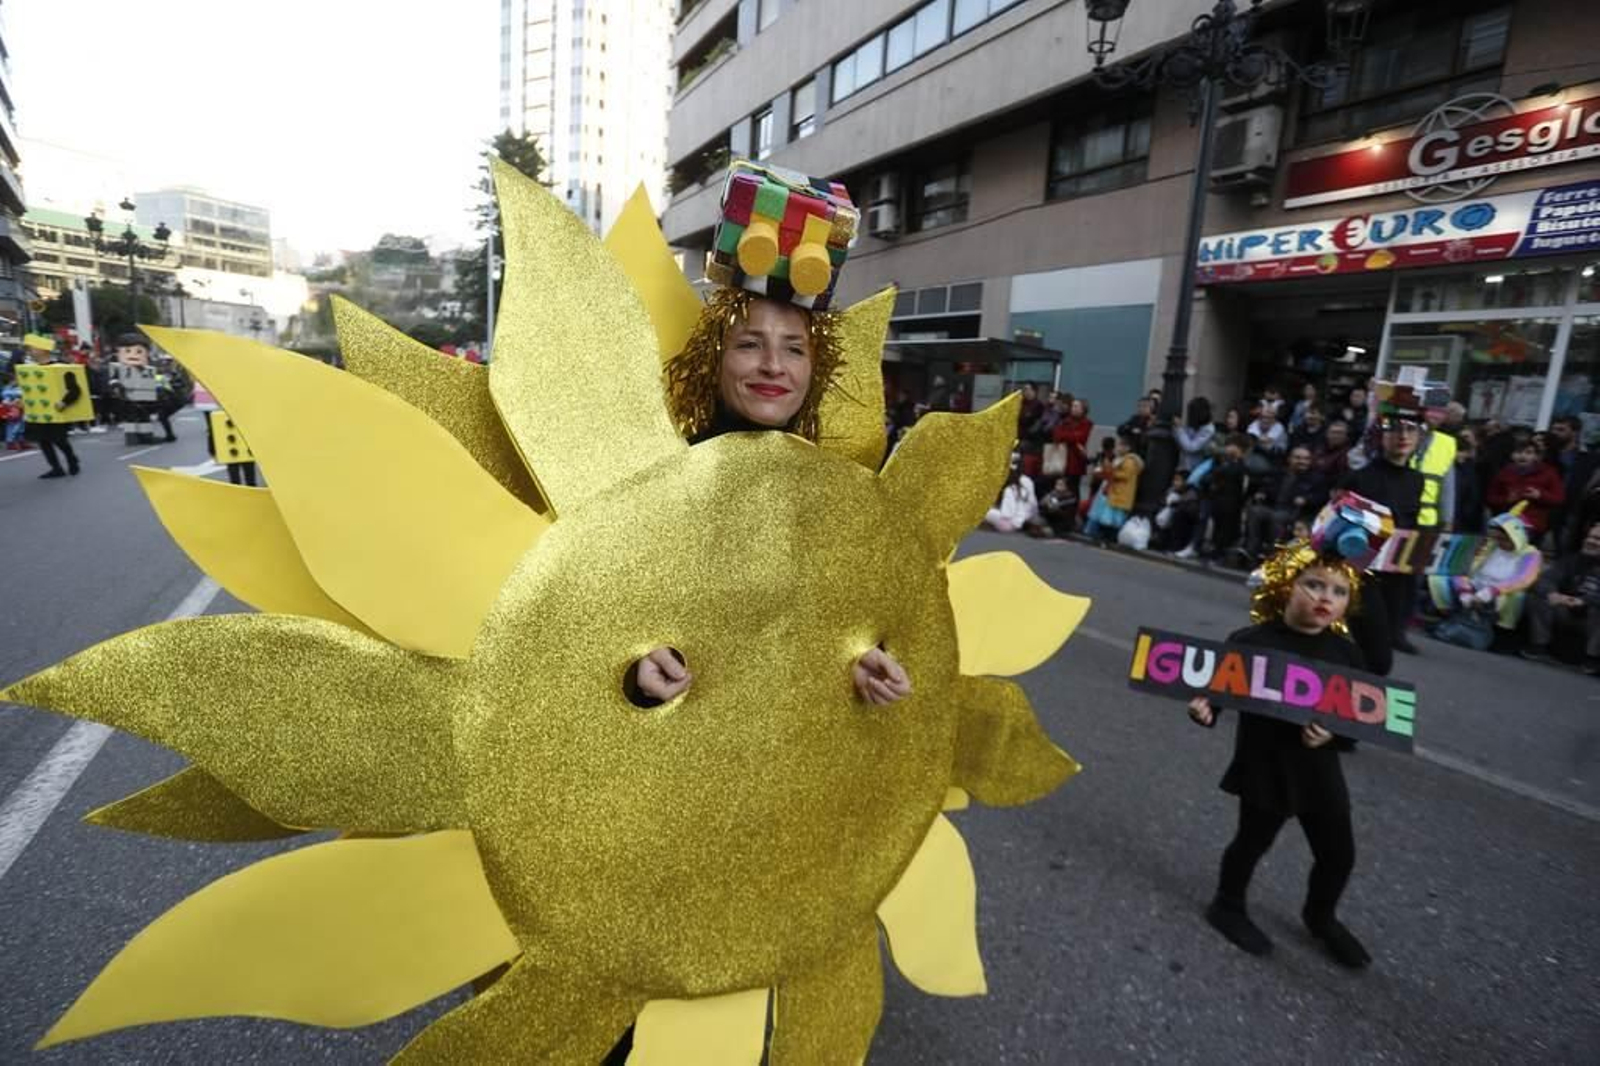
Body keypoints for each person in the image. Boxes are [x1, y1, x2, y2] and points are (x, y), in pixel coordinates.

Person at [652, 162, 911, 715]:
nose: (774, 365)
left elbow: (822, 621)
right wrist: (635, 670)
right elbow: (601, 618)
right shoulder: (661, 483)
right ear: (713, 360)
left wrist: (857, 664)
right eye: (750, 344)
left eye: (794, 348)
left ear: (813, 371)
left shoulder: (837, 497)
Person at [1188, 536, 1391, 970]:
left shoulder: (1346, 651)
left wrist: (1332, 736)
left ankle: (1320, 917)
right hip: (1266, 766)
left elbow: (1355, 717)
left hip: (1320, 770)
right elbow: (1218, 693)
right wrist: (1205, 709)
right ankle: (1227, 904)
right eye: (1314, 585)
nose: (1326, 598)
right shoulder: (1250, 639)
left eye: (1339, 592)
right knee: (1251, 843)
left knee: (1339, 854)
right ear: (1285, 586)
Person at [1341, 383, 1426, 653]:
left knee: (1400, 591)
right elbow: (1342, 517)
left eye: (1410, 429)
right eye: (1394, 429)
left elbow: (1412, 515)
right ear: (1381, 435)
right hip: (1365, 556)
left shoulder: (1416, 479)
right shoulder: (1362, 476)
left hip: (1399, 553)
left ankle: (1395, 633)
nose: (1403, 436)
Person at [1427, 507, 1542, 648]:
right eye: (1497, 538)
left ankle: (1498, 634)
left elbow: (1523, 579)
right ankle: (1450, 620)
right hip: (1475, 584)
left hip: (1503, 591)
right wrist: (1465, 589)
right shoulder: (1490, 546)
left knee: (1515, 597)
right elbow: (1463, 567)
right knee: (1439, 580)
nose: (1499, 542)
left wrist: (1492, 591)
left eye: (1504, 538)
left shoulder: (1531, 553)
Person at [1521, 521, 1600, 674]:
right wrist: (1553, 594)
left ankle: (1592, 659)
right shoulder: (1573, 559)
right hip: (1566, 609)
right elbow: (1545, 579)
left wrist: (1585, 601)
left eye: (1597, 539)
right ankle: (1538, 646)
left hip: (1592, 617)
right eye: (1589, 537)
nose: (1590, 541)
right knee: (1537, 596)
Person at [1244, 446, 1328, 562]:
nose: (1302, 461)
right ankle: (1251, 550)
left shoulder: (1316, 478)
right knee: (1255, 511)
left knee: (1277, 517)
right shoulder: (1279, 473)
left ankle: (1273, 553)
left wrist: (1306, 500)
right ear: (1289, 459)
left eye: (1306, 459)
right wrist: (1262, 493)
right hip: (1273, 506)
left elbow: (1321, 497)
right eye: (1298, 458)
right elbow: (1267, 486)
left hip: (1295, 512)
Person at [21, 341, 82, 479]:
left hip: (56, 412)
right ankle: (56, 468)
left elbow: (75, 390)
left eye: (33, 348)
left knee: (59, 440)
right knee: (43, 441)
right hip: (38, 412)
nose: (30, 351)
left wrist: (64, 402)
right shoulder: (30, 370)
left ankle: (72, 459)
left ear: (43, 350)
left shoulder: (60, 368)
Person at [1487, 438, 1565, 542]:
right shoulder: (1504, 472)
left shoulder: (1549, 473)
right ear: (1512, 455)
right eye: (1518, 452)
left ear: (1536, 456)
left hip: (1533, 525)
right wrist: (1507, 499)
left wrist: (1539, 495)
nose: (1522, 456)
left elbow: (1559, 498)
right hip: (1506, 523)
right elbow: (1491, 497)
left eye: (1528, 453)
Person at [1084, 432, 1142, 542]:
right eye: (1119, 445)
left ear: (1128, 448)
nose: (1119, 448)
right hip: (1112, 490)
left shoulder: (1129, 461)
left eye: (1122, 445)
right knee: (1105, 514)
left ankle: (1108, 537)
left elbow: (1125, 475)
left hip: (1119, 492)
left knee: (1112, 517)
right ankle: (1102, 535)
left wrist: (1110, 472)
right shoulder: (1120, 459)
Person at [1054, 396, 1094, 501]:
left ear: (1083, 409)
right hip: (1061, 458)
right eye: (1073, 406)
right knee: (1059, 486)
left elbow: (1081, 437)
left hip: (1076, 461)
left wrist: (1067, 436)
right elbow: (1057, 435)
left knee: (1073, 489)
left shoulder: (1087, 423)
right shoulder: (1065, 421)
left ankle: (1072, 512)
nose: (1073, 408)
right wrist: (1070, 436)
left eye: (1076, 406)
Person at [1449, 428, 1487, 534]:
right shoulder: (1456, 468)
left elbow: (1472, 497)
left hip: (1462, 522)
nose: (1460, 455)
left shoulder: (1472, 469)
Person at [984, 466, 1042, 534]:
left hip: (1009, 524)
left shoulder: (1010, 489)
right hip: (1026, 520)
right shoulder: (1028, 481)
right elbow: (1034, 504)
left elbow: (1006, 514)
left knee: (986, 511)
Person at [1176, 396, 1215, 473]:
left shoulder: (1208, 429)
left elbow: (1191, 447)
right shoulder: (1193, 425)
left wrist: (1179, 429)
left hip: (1194, 468)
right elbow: (1182, 440)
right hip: (1183, 465)